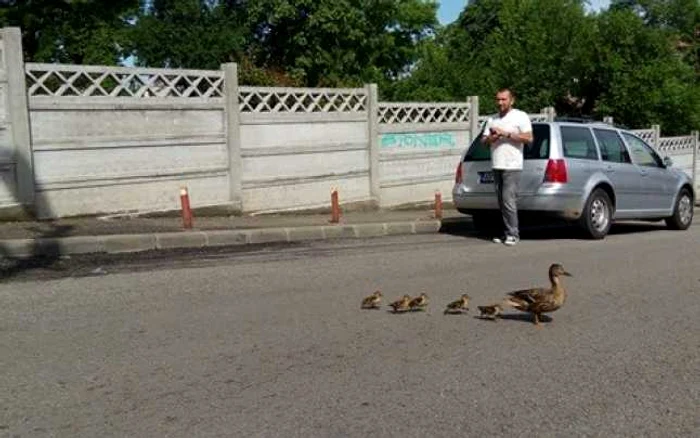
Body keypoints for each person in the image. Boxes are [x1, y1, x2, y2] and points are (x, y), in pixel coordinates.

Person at [481, 88, 533, 246]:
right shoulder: (492, 119)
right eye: (498, 99)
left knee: (508, 199)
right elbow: (483, 141)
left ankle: (513, 234)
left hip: (513, 165)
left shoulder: (520, 116)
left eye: (503, 99)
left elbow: (529, 138)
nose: (500, 103)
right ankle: (505, 233)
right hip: (497, 163)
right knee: (501, 201)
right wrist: (492, 137)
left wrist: (507, 134)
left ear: (512, 100)